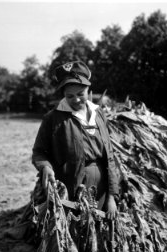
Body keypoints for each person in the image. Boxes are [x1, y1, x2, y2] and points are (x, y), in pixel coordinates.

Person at [32, 60, 118, 219]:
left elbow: (110, 156)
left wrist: (112, 196)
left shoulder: (99, 114)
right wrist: (45, 167)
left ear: (88, 89)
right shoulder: (53, 118)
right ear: (63, 94)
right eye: (69, 96)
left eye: (80, 94)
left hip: (101, 190)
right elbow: (39, 152)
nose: (76, 100)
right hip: (71, 188)